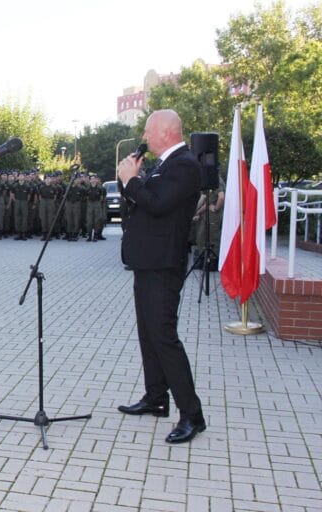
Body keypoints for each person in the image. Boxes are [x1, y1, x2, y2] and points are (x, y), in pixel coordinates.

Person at [117, 109, 205, 444]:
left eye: (148, 130)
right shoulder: (164, 165)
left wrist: (131, 180)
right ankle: (156, 398)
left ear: (166, 131)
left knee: (164, 337)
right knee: (148, 333)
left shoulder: (184, 164)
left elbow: (157, 204)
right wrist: (134, 181)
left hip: (163, 265)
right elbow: (143, 206)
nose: (144, 135)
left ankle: (192, 416)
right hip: (147, 262)